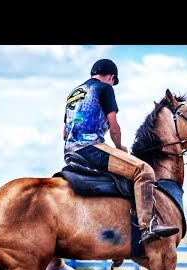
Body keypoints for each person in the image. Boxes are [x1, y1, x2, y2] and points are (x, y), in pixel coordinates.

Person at [63, 58, 179, 243]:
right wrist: (119, 147)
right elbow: (114, 127)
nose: (112, 84)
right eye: (113, 82)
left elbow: (65, 132)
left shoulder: (74, 93)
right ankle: (148, 226)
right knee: (144, 170)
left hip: (70, 151)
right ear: (111, 77)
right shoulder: (104, 88)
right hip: (91, 148)